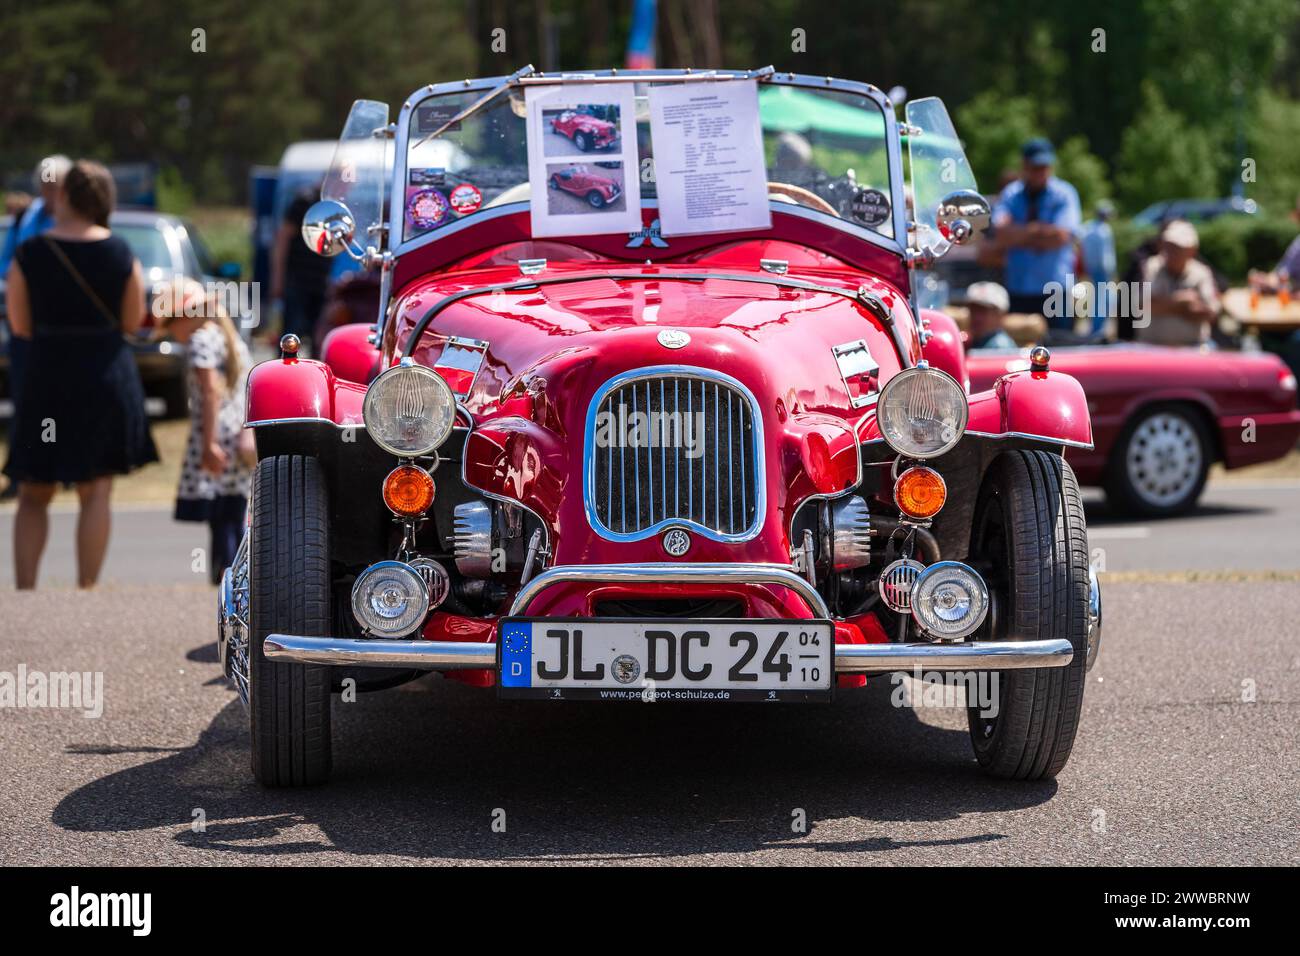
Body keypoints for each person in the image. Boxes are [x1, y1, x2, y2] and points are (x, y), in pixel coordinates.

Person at [3, 160, 158, 589]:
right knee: (96, 489)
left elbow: (19, 325)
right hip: (103, 375)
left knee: (34, 490)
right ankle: (86, 591)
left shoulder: (30, 253)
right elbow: (131, 323)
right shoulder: (120, 251)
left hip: (46, 377)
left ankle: (26, 591)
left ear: (64, 196)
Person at [155, 280, 253, 582]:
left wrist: (209, 442)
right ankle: (239, 574)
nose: (173, 333)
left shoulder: (200, 340)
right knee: (233, 508)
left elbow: (210, 391)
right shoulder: (228, 336)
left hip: (217, 432)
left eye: (172, 324)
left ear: (187, 316)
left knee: (219, 512)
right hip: (237, 430)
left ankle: (224, 577)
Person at [2, 157, 71, 501]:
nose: (50, 192)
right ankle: (23, 471)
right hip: (28, 331)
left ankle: (67, 470)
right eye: (45, 185)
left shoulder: (76, 222)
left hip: (64, 331)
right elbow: (6, 268)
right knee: (27, 402)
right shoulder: (23, 221)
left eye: (56, 186)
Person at [991, 138, 1082, 327]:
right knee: (1020, 352)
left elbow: (1061, 237)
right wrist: (1039, 232)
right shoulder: (1011, 194)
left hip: (1056, 293)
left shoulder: (1064, 194)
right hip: (1019, 291)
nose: (1041, 172)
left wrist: (1018, 234)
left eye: (1045, 166)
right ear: (1024, 165)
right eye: (1035, 166)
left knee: (1059, 350)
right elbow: (1000, 233)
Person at [270, 183, 331, 354]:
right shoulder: (305, 201)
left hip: (321, 283)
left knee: (318, 338)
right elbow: (282, 240)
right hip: (298, 281)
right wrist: (277, 280)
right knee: (290, 335)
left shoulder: (335, 207)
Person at [1137, 220, 1220, 347]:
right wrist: (1181, 302)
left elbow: (1210, 313)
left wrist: (1164, 305)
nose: (1170, 251)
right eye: (1168, 245)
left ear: (1191, 251)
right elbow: (1142, 307)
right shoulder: (1151, 266)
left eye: (1177, 247)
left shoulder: (1201, 272)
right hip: (1153, 347)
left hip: (1193, 348)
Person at [1079, 200, 1117, 335]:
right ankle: (1097, 329)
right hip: (1101, 270)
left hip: (1094, 268)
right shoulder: (1103, 230)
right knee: (1102, 299)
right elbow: (1105, 255)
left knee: (1099, 298)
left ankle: (1097, 327)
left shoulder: (1088, 227)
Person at [962, 282, 1018, 349]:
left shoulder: (1000, 347)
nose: (976, 317)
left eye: (983, 311)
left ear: (1000, 315)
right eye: (973, 310)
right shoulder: (970, 341)